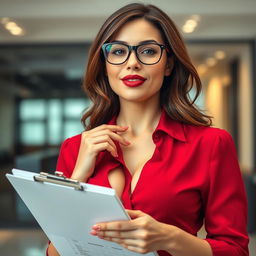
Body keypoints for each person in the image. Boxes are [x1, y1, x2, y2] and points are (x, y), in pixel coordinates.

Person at [47, 3, 249, 256]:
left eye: (148, 51)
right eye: (119, 51)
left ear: (168, 65)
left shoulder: (211, 144)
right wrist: (79, 176)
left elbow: (235, 250)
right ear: (105, 64)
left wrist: (171, 238)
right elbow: (54, 252)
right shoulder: (76, 147)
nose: (132, 63)